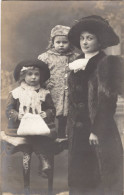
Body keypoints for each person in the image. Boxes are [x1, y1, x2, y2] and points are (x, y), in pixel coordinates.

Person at [67, 15, 124, 195]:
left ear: (99, 42)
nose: (85, 42)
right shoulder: (76, 63)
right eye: (82, 38)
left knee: (100, 174)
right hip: (78, 129)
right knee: (80, 176)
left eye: (90, 38)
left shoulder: (107, 63)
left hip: (98, 128)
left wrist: (96, 130)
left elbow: (108, 101)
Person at [3, 59, 57, 192]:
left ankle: (43, 161)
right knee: (32, 135)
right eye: (30, 74)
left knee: (39, 134)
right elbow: (8, 109)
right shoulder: (16, 93)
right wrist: (17, 115)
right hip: (18, 128)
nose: (33, 77)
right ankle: (43, 159)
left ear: (41, 77)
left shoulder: (44, 93)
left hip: (39, 126)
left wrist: (46, 113)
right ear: (23, 76)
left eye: (36, 74)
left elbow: (52, 109)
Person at [38, 25, 78, 138]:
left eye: (64, 42)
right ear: (52, 42)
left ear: (70, 43)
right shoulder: (45, 57)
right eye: (58, 42)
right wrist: (45, 83)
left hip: (68, 91)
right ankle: (48, 135)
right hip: (52, 90)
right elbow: (39, 73)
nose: (61, 45)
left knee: (65, 114)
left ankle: (62, 135)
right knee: (50, 112)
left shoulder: (75, 57)